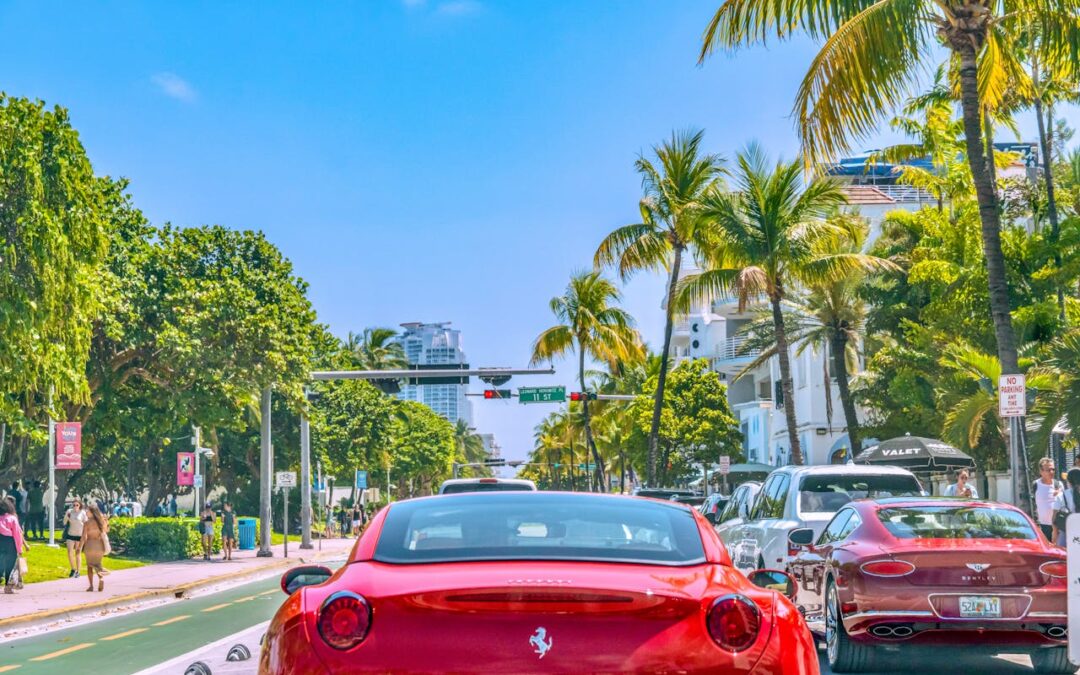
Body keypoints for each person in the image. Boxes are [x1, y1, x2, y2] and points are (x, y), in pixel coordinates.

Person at [1034, 457, 1064, 542]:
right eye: (1048, 470)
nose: (1051, 472)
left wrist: (1060, 495)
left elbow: (1065, 504)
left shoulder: (1059, 485)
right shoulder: (1035, 485)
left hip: (1057, 526)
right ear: (1041, 471)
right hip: (1042, 526)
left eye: (1053, 469)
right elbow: (1032, 504)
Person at [0, 497, 26, 594]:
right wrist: (19, 549)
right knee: (9, 565)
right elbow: (17, 535)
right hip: (10, 543)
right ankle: (7, 586)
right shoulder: (12, 518)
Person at [81, 503, 109, 592]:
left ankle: (91, 586)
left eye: (88, 510)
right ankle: (101, 578)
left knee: (90, 566)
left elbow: (84, 536)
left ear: (92, 512)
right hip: (99, 545)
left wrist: (80, 546)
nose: (86, 512)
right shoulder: (101, 522)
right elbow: (105, 532)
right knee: (98, 564)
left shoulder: (87, 523)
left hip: (90, 544)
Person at [1052, 468, 1080, 547]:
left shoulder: (1061, 495)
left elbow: (1054, 518)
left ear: (1069, 481)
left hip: (1065, 534)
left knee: (1064, 557)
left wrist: (1054, 533)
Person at [63, 499, 87, 578]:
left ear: (80, 505)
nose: (75, 506)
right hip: (70, 534)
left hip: (79, 536)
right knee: (69, 552)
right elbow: (64, 522)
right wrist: (67, 516)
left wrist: (85, 534)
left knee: (77, 553)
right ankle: (73, 569)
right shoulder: (70, 512)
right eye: (74, 505)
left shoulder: (83, 513)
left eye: (77, 505)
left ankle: (78, 571)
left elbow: (86, 524)